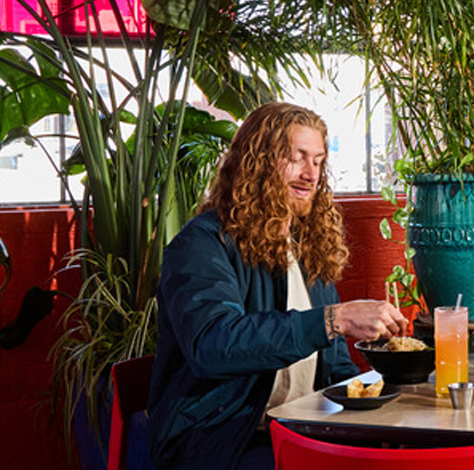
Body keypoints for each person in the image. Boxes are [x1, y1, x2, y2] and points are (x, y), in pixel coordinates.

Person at [147, 102, 408, 470]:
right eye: (296, 158)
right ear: (257, 163)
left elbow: (334, 369)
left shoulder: (308, 245)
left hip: (299, 428)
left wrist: (385, 394)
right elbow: (213, 345)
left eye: (318, 161)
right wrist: (334, 320)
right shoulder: (203, 245)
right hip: (219, 439)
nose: (310, 175)